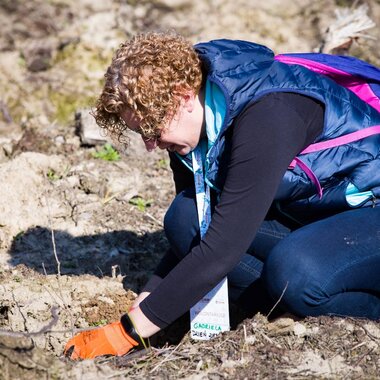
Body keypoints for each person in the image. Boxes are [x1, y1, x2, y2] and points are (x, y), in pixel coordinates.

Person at [64, 32, 380, 360]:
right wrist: (149, 297)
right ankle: (288, 304)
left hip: (371, 217)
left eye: (152, 130)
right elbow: (203, 224)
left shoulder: (269, 115)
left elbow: (222, 249)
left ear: (183, 95)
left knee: (298, 272)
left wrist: (126, 332)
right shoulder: (190, 132)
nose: (150, 144)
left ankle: (348, 306)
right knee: (184, 217)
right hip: (317, 220)